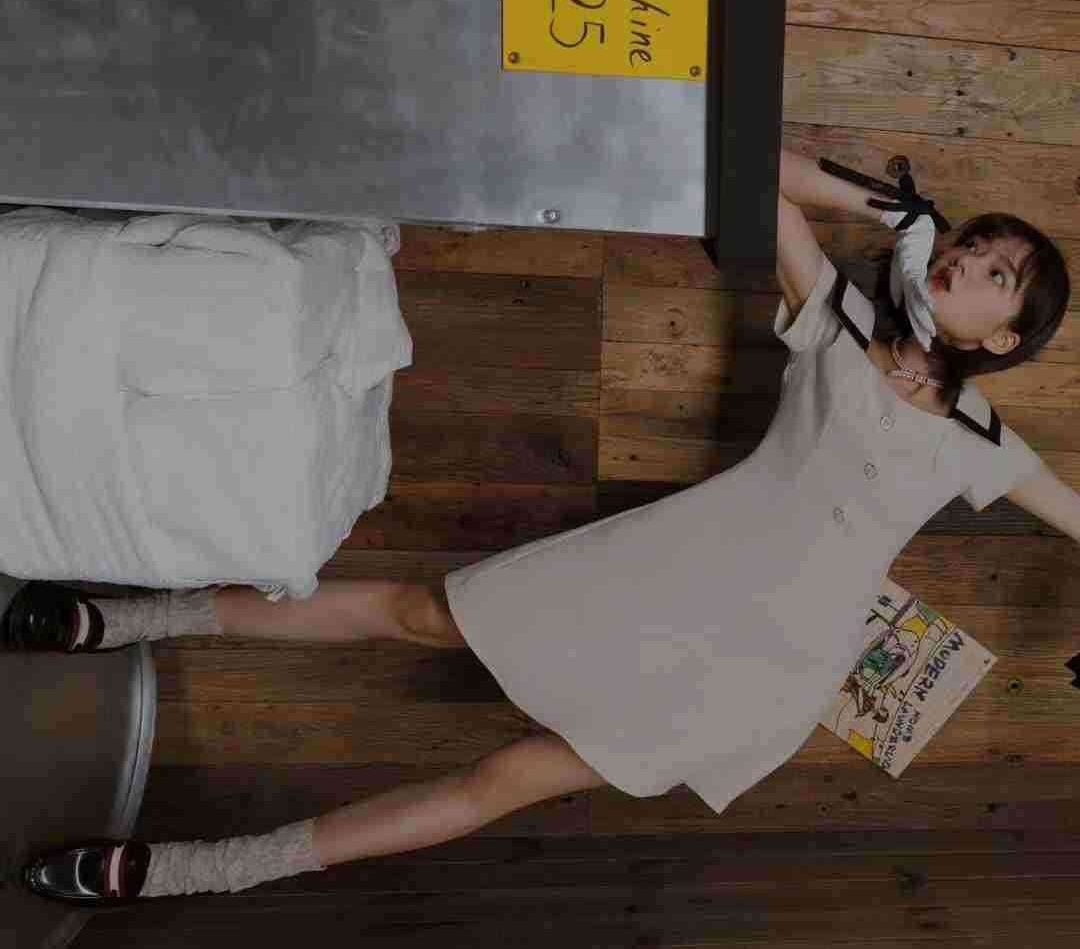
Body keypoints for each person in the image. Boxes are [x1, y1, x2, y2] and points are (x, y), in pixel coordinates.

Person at [11, 147, 1073, 906]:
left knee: (500, 782)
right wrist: (887, 206)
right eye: (971, 242)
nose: (968, 261)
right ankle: (126, 617)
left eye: (998, 274)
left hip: (763, 670)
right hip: (663, 568)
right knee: (418, 613)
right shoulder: (837, 320)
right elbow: (751, 161)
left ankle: (194, 870)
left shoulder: (981, 439)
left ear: (1006, 336)